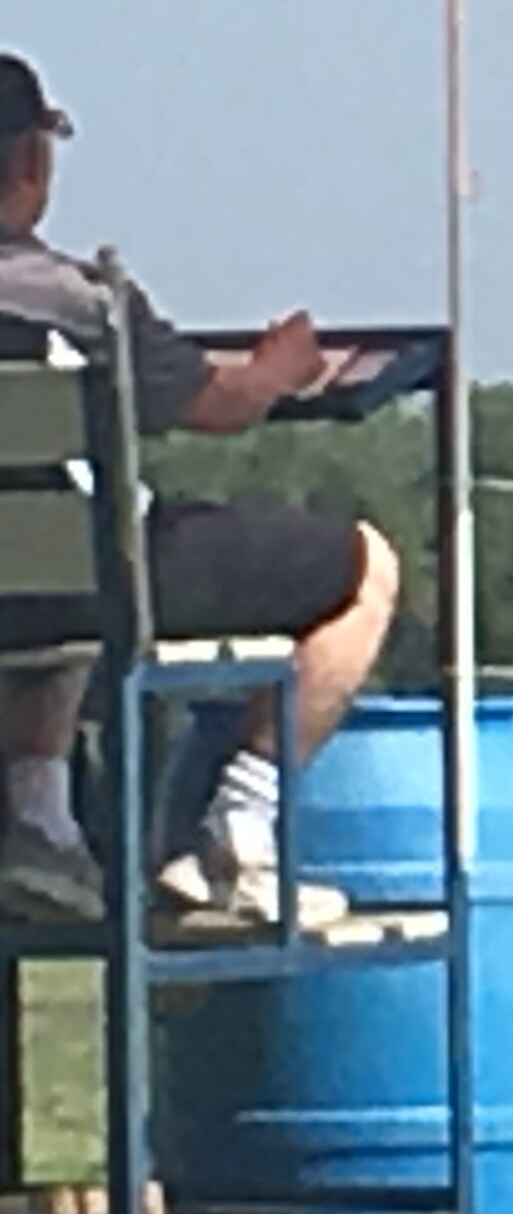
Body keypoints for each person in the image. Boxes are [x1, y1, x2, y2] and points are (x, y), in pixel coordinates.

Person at [0, 55, 400, 932]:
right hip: (88, 588)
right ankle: (241, 832)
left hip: (23, 593)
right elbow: (216, 408)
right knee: (364, 566)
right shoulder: (78, 301)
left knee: (50, 563)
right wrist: (276, 372)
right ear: (31, 163)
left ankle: (39, 819)